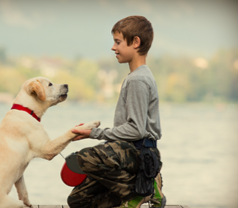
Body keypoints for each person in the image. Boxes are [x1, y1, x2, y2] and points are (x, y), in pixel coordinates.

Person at [67, 16, 165, 208]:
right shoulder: (138, 76)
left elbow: (136, 130)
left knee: (84, 158)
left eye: (118, 42)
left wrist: (94, 134)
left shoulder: (138, 80)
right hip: (128, 155)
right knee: (78, 200)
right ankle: (134, 193)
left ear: (136, 42)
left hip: (139, 152)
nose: (113, 47)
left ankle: (143, 190)